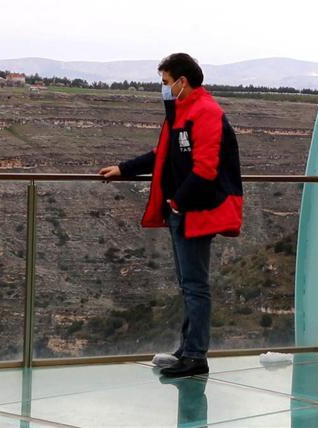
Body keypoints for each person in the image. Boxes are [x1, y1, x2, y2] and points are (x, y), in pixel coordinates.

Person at [99, 53, 243, 377]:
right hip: (182, 211)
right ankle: (186, 350)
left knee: (196, 286)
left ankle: (195, 356)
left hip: (195, 212)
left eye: (165, 82)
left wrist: (178, 201)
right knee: (187, 284)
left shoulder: (205, 112)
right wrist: (123, 169)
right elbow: (161, 154)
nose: (163, 88)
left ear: (182, 81)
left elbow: (205, 169)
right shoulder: (180, 112)